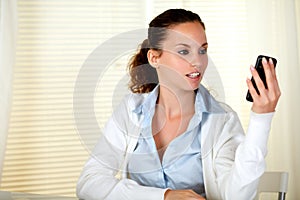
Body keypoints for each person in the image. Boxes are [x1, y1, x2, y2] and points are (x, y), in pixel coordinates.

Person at [76, 8, 281, 200]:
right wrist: (164, 196)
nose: (198, 62)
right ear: (154, 58)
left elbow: (237, 195)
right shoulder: (131, 110)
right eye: (184, 52)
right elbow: (89, 183)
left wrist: (261, 119)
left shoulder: (222, 120)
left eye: (202, 50)